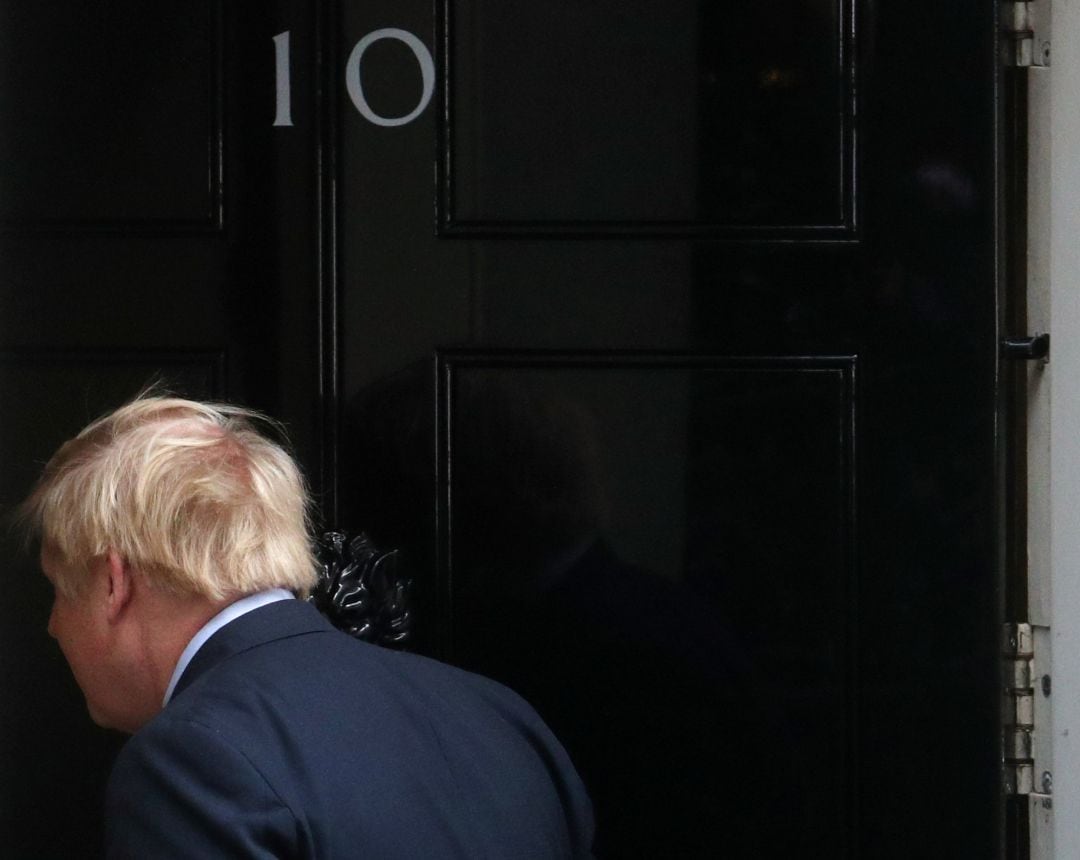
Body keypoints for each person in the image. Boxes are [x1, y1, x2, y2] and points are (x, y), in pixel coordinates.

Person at [18, 394, 594, 859]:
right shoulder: (498, 715)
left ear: (113, 584)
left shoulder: (189, 760)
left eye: (58, 590)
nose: (51, 625)